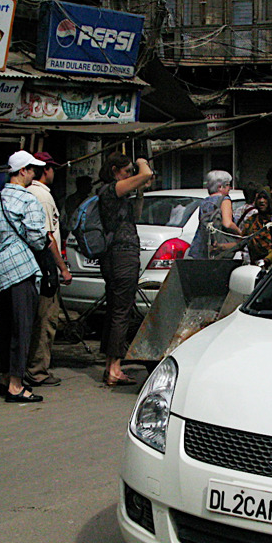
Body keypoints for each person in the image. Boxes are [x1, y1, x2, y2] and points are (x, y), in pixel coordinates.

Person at [0, 151, 50, 403]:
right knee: (22, 330)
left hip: (0, 272)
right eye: (32, 170)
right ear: (22, 171)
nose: (35, 175)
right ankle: (16, 385)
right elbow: (36, 237)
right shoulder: (28, 200)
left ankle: (5, 377)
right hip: (22, 270)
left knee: (5, 329)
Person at [97, 152, 153, 386]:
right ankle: (115, 368)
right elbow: (146, 173)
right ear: (114, 171)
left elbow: (137, 213)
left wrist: (139, 190)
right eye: (127, 171)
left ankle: (111, 365)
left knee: (116, 310)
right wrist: (141, 163)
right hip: (121, 255)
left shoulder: (117, 196)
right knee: (121, 312)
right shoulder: (110, 190)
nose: (131, 175)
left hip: (116, 256)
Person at [25, 152, 71, 388]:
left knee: (32, 320)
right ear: (46, 170)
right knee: (45, 320)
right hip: (44, 267)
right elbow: (47, 237)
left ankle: (27, 367)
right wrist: (62, 268)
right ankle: (37, 370)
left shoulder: (26, 192)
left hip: (30, 268)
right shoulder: (42, 196)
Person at [186, 170, 242, 260]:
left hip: (202, 246)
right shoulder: (224, 200)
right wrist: (240, 233)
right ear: (220, 187)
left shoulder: (204, 201)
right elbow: (227, 223)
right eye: (227, 185)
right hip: (219, 247)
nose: (230, 188)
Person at [241, 189, 272, 263]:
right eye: (259, 198)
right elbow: (240, 243)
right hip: (256, 264)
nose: (261, 201)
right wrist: (221, 246)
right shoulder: (251, 220)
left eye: (265, 198)